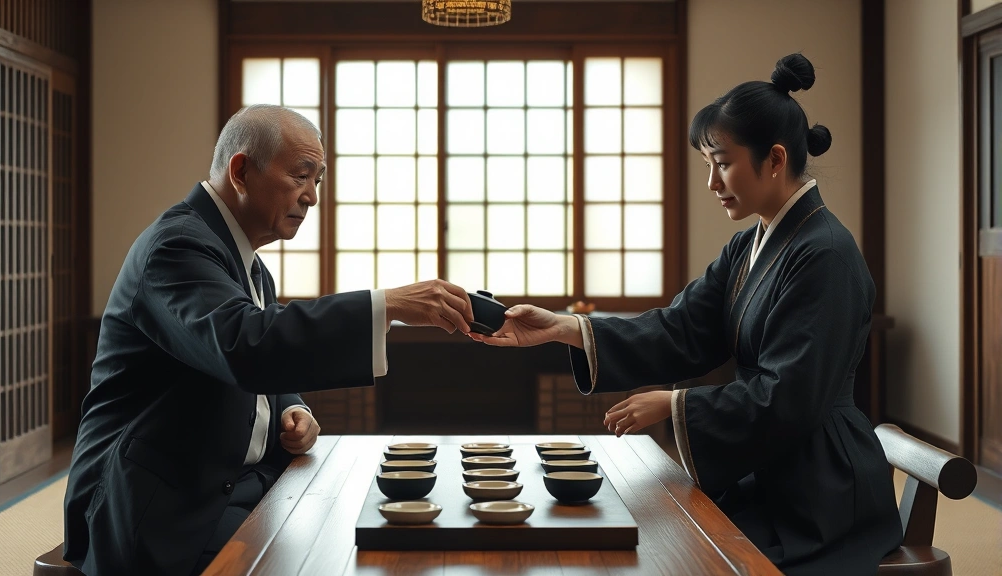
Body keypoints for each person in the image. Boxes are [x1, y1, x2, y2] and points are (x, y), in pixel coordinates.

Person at [473, 54, 903, 575]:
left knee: (684, 555)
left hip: (822, 492)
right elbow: (682, 329)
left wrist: (677, 404)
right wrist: (563, 327)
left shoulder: (826, 254)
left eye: (722, 163)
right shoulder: (750, 245)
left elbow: (789, 396)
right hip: (775, 466)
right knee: (653, 530)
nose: (712, 182)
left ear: (774, 159)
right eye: (708, 166)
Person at [63, 104, 474, 576]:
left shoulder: (249, 262)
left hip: (231, 485)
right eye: (302, 175)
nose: (312, 197)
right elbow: (243, 345)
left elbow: (260, 362)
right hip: (153, 505)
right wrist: (386, 305)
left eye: (318, 180)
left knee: (349, 532)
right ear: (240, 171)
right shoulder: (177, 246)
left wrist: (290, 408)